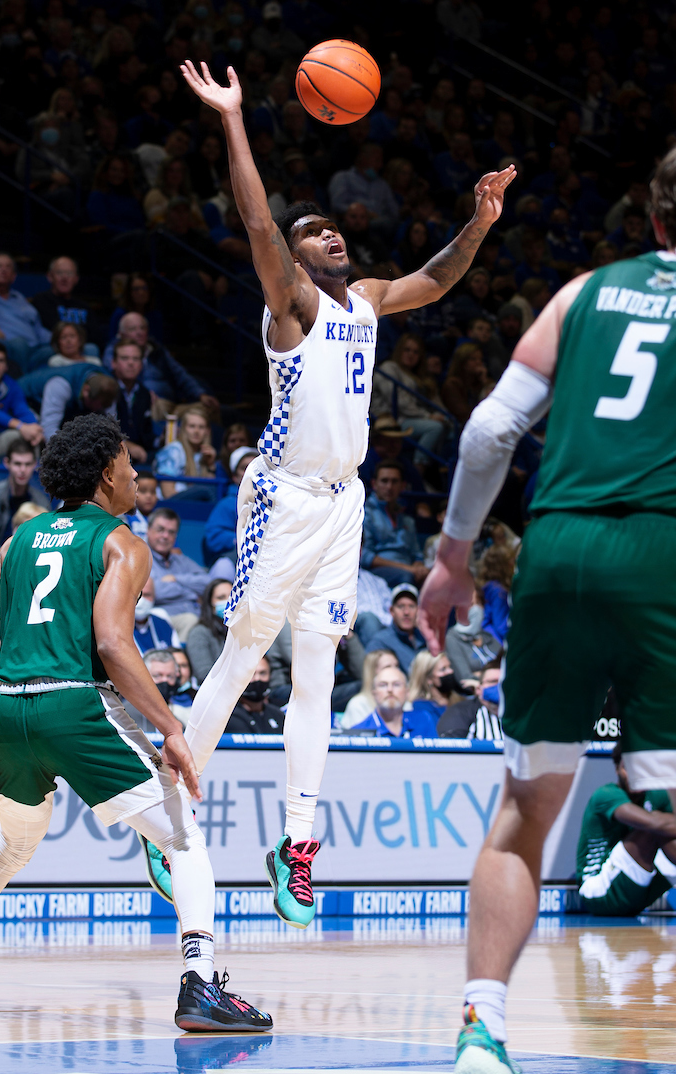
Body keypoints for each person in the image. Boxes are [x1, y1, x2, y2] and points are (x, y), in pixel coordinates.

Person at [154, 59, 513, 928]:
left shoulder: (367, 300)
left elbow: (436, 279)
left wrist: (479, 221)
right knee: (243, 660)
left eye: (331, 229)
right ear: (297, 254)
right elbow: (253, 218)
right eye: (312, 231)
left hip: (343, 502)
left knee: (316, 671)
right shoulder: (292, 305)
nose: (329, 236)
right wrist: (234, 120)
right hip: (283, 499)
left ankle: (296, 845)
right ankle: (168, 824)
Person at [417, 147, 676, 1073]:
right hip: (661, 554)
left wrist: (453, 555)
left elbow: (490, 429)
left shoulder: (583, 294)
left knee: (524, 808)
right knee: (665, 794)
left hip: (558, 548)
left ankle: (481, 1030)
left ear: (652, 220)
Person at [0, 416, 272, 1032]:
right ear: (106, 474)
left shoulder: (17, 541)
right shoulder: (122, 541)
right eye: (128, 464)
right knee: (183, 837)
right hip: (76, 705)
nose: (134, 475)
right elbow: (115, 645)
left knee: (15, 843)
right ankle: (200, 984)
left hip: (9, 710)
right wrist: (171, 729)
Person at [578, 743, 676, 917]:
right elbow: (655, 824)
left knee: (665, 828)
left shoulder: (656, 795)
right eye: (627, 768)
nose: (635, 775)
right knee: (656, 827)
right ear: (617, 769)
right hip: (599, 891)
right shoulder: (606, 795)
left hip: (636, 893)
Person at [146, 506, 211, 640]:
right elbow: (156, 591)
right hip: (163, 619)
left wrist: (176, 578)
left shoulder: (181, 560)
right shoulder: (141, 558)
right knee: (190, 621)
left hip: (196, 615)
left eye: (171, 532)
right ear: (148, 531)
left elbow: (208, 583)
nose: (165, 536)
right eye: (160, 530)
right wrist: (193, 592)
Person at [361, 462, 428, 588]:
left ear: (403, 486)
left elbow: (417, 554)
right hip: (377, 572)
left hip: (409, 570)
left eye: (394, 481)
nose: (389, 487)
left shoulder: (408, 520)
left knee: (437, 579)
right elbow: (365, 557)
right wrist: (408, 569)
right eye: (384, 481)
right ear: (374, 484)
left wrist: (419, 567)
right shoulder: (365, 514)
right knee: (405, 577)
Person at [0, 254, 51, 372]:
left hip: (35, 348)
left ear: (14, 276)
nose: (4, 270)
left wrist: (58, 339)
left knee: (56, 349)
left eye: (8, 267)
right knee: (19, 344)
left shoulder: (19, 297)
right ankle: (21, 384)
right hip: (9, 347)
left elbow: (38, 327)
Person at [0, 438, 49, 543]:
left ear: (34, 464)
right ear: (7, 463)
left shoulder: (41, 501)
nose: (22, 470)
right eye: (17, 464)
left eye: (27, 464)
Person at [203, 447, 258, 566]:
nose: (250, 472)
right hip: (233, 562)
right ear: (234, 476)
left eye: (255, 468)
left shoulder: (273, 504)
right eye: (244, 468)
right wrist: (244, 539)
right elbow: (214, 537)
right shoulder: (227, 504)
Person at [154, 404, 218, 499]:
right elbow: (167, 493)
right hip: (173, 504)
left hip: (193, 503)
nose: (196, 431)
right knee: (206, 491)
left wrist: (210, 465)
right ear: (183, 429)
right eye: (192, 426)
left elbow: (210, 487)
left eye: (201, 427)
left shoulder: (204, 453)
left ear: (207, 431)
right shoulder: (173, 451)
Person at [39, 367, 120, 442]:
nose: (98, 408)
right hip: (33, 404)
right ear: (86, 391)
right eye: (96, 404)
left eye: (103, 405)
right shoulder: (59, 386)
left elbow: (113, 431)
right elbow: (48, 429)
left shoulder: (109, 389)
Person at [110, 339, 154, 464]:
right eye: (125, 358)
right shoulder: (106, 389)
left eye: (136, 359)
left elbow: (146, 434)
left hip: (139, 457)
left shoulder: (144, 393)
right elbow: (99, 431)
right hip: (111, 454)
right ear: (114, 363)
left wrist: (161, 439)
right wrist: (125, 444)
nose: (131, 363)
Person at [364, 584, 426, 670]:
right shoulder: (380, 642)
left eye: (411, 606)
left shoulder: (426, 637)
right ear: (392, 611)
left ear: (418, 610)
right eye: (401, 606)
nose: (406, 612)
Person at [339, 648, 404, 729]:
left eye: (396, 666)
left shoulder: (403, 701)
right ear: (372, 671)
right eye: (388, 667)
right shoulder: (358, 705)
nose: (394, 670)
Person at [348, 664, 417, 736]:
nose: (390, 690)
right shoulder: (357, 733)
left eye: (396, 684)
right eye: (383, 685)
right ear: (374, 694)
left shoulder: (424, 720)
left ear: (407, 692)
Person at [185, 579, 233, 685]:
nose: (228, 601)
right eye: (221, 597)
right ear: (210, 603)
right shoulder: (199, 633)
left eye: (231, 596)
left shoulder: (243, 630)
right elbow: (204, 674)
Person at [225, 655, 285, 735]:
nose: (257, 679)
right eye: (251, 674)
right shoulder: (228, 716)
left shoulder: (278, 715)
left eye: (262, 673)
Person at [133, 577, 180, 653]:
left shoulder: (163, 624)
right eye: (138, 595)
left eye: (147, 595)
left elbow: (177, 655)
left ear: (154, 597)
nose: (142, 600)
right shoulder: (118, 627)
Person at [124, 472, 158, 541]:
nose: (149, 496)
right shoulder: (125, 517)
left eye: (152, 492)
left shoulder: (161, 519)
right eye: (143, 491)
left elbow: (175, 550)